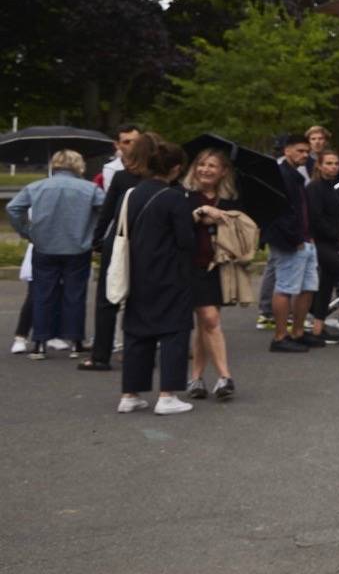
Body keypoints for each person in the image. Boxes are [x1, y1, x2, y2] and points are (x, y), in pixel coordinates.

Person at [117, 138, 196, 415]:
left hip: (137, 271)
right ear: (175, 168)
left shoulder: (132, 193)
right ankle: (167, 394)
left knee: (138, 332)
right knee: (174, 330)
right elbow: (186, 240)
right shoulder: (174, 197)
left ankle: (130, 393)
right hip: (170, 272)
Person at [6, 149, 104, 360]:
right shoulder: (90, 189)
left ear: (55, 165)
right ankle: (76, 341)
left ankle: (39, 342)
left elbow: (13, 208)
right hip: (78, 247)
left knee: (43, 294)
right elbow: (106, 211)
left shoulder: (37, 187)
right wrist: (95, 234)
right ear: (78, 166)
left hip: (44, 246)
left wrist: (26, 232)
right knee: (75, 294)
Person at [81, 132, 153, 372]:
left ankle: (100, 355)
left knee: (108, 297)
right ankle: (142, 352)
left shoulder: (123, 178)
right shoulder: (162, 181)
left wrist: (97, 241)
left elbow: (108, 212)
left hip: (120, 240)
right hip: (150, 243)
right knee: (144, 299)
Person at [181, 148, 242, 400]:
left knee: (205, 324)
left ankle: (195, 379)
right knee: (210, 319)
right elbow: (176, 229)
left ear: (223, 171)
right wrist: (199, 216)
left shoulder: (230, 202)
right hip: (191, 266)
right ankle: (225, 377)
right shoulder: (183, 196)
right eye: (201, 164)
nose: (205, 169)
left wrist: (222, 219)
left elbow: (242, 230)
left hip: (219, 268)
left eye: (212, 166)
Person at [262, 133, 320, 352]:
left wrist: (308, 236)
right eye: (300, 151)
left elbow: (302, 209)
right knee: (285, 288)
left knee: (307, 287)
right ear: (287, 150)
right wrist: (294, 238)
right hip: (290, 242)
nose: (305, 155)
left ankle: (297, 332)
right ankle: (279, 336)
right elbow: (278, 213)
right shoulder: (280, 176)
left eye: (307, 151)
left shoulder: (296, 175)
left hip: (305, 239)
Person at [306, 148, 339, 339]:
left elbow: (338, 216)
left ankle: (318, 328)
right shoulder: (315, 187)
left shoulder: (331, 186)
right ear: (319, 165)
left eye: (336, 164)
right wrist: (338, 238)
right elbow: (316, 218)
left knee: (326, 283)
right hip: (319, 242)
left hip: (332, 242)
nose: (333, 167)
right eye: (329, 163)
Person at [95, 123, 141, 190]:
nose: (133, 145)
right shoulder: (110, 169)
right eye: (127, 142)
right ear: (117, 145)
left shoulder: (151, 165)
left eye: (136, 141)